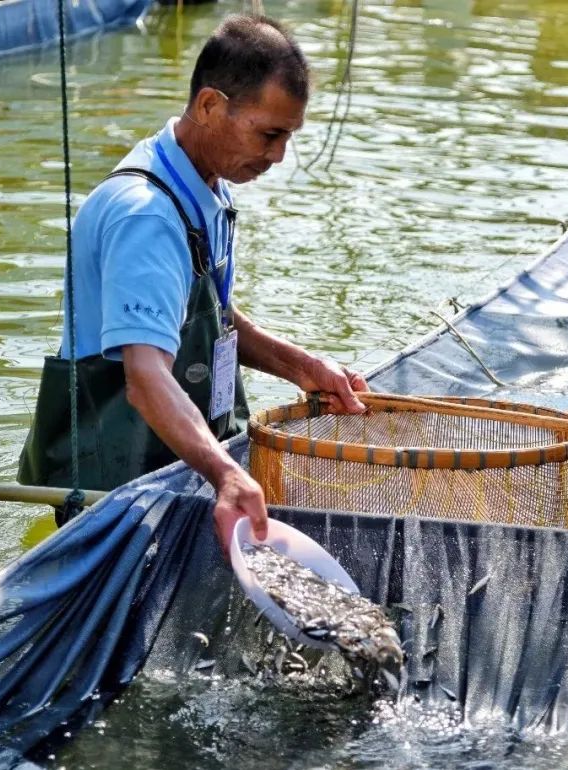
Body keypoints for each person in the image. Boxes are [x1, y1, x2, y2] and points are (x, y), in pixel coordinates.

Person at [18, 15, 368, 549]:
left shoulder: (204, 184)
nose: (278, 156)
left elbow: (210, 315)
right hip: (113, 488)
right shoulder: (148, 217)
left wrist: (303, 367)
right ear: (209, 106)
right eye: (269, 134)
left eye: (288, 137)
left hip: (175, 467)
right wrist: (226, 473)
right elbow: (145, 377)